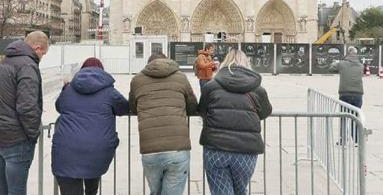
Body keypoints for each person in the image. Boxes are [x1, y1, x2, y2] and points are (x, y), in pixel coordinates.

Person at [199, 49, 272, 195]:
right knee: (240, 191)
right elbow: (265, 112)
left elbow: (202, 110)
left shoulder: (211, 87)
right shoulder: (258, 90)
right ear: (247, 64)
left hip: (216, 148)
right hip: (246, 149)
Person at [51, 57, 129, 195]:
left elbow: (59, 107)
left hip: (66, 149)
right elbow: (125, 108)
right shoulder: (110, 92)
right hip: (97, 149)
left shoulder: (69, 90)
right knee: (92, 178)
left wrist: (65, 88)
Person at [129, 53, 198, 195]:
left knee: (156, 192)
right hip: (177, 148)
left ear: (148, 64)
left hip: (150, 148)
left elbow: (133, 107)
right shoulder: (180, 77)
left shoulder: (137, 80)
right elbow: (192, 106)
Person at [0, 31, 49, 195]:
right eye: (43, 53)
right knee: (16, 190)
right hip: (17, 139)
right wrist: (33, 133)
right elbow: (27, 107)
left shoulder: (5, 61)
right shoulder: (27, 66)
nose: (42, 57)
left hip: (2, 135)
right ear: (37, 48)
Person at [330, 46, 364, 143]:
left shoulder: (341, 64)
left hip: (345, 93)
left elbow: (331, 69)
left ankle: (343, 139)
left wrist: (335, 62)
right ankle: (357, 139)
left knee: (344, 117)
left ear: (348, 53)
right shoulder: (360, 65)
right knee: (356, 117)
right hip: (358, 93)